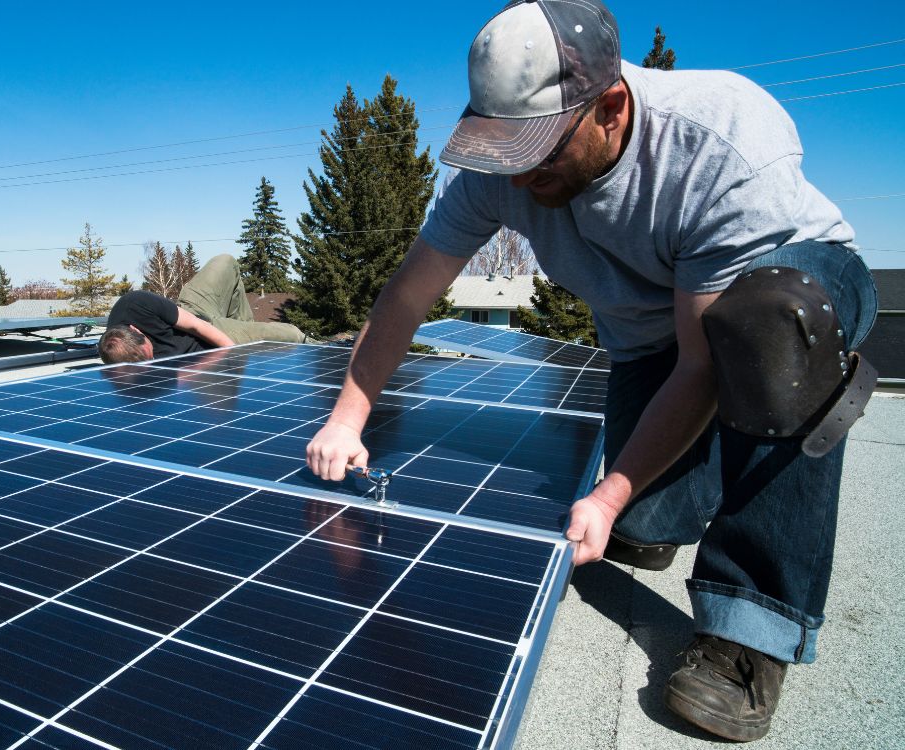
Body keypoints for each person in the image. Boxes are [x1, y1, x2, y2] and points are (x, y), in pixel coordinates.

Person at [304, 0, 877, 742]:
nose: (519, 176)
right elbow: (410, 293)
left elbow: (703, 360)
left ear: (608, 108)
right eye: (504, 151)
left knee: (770, 331)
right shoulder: (501, 169)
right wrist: (347, 417)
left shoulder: (718, 135)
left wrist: (605, 495)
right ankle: (678, 493)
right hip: (650, 340)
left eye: (538, 152)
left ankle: (752, 630)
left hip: (789, 297)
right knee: (644, 522)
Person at [98, 253, 310, 363]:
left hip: (196, 316)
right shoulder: (123, 363)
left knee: (226, 262)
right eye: (149, 361)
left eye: (149, 352)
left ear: (135, 330)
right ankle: (325, 346)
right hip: (205, 348)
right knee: (291, 334)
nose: (153, 359)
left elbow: (197, 326)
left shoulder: (136, 304)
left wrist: (237, 355)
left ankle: (244, 328)